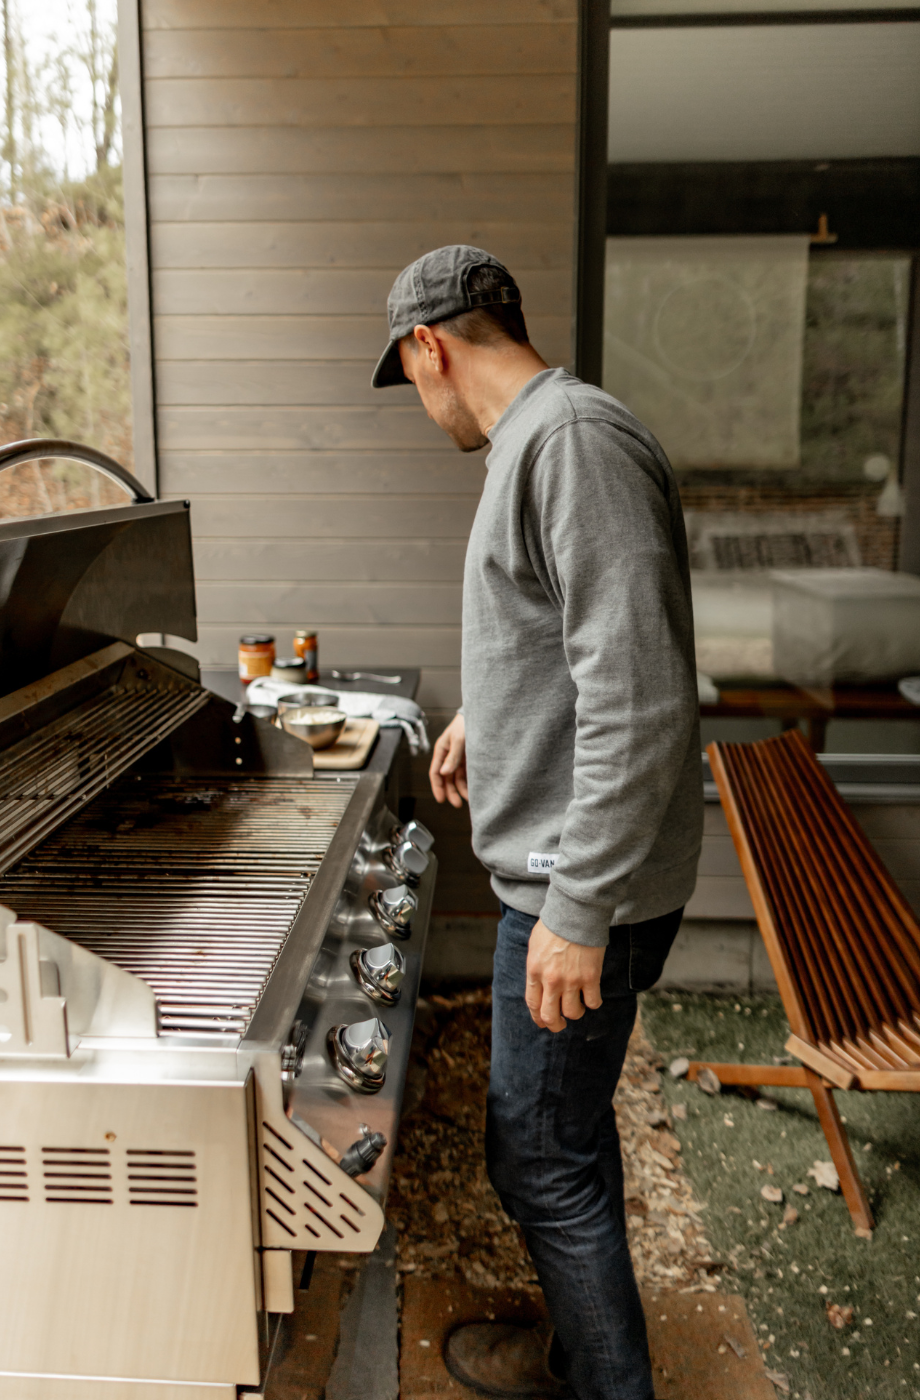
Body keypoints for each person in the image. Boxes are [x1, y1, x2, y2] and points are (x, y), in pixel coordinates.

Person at [372, 246, 703, 1400]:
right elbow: (569, 639)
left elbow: (641, 693)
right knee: (549, 1143)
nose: (422, 407)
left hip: (577, 889)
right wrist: (485, 714)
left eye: (411, 377)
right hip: (573, 873)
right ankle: (573, 1352)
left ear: (433, 345)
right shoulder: (543, 441)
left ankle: (605, 1382)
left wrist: (576, 907)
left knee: (541, 1158)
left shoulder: (568, 444)